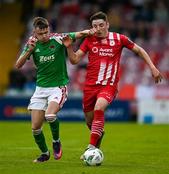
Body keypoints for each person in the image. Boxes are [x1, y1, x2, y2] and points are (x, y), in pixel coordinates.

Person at [63, 11, 163, 158]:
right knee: (90, 122)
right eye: (95, 26)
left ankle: (90, 147)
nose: (98, 28)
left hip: (109, 85)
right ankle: (98, 137)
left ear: (107, 25)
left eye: (101, 25)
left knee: (99, 108)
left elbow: (140, 50)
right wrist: (68, 47)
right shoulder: (89, 40)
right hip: (90, 86)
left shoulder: (119, 39)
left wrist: (153, 68)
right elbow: (75, 60)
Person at [15, 17, 90, 163]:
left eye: (46, 32)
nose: (44, 36)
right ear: (35, 33)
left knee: (50, 116)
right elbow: (18, 65)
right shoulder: (31, 44)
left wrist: (91, 31)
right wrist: (28, 51)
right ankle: (44, 153)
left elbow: (79, 34)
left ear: (49, 29)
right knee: (35, 128)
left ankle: (56, 141)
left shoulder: (57, 39)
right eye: (41, 33)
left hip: (57, 87)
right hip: (40, 89)